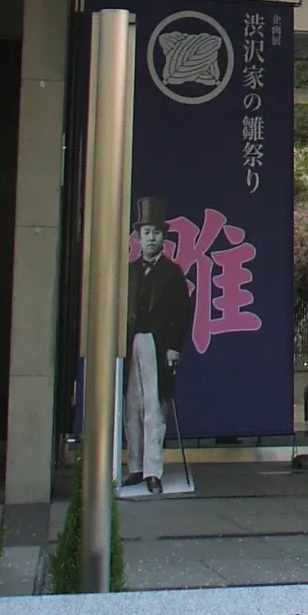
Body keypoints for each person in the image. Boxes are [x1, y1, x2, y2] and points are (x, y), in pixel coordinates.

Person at [123, 197, 191, 494]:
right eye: (146, 232)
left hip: (157, 342)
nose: (151, 237)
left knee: (154, 408)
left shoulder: (173, 273)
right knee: (132, 407)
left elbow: (181, 313)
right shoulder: (130, 272)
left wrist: (174, 346)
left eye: (156, 232)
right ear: (138, 237)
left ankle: (153, 470)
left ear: (164, 237)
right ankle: (135, 467)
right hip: (130, 344)